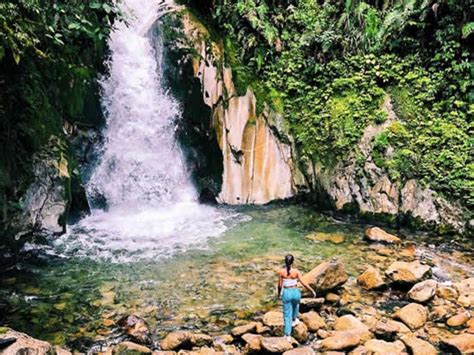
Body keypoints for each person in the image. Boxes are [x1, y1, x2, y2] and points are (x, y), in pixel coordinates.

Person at [277, 254, 316, 340]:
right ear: (293, 262)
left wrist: (279, 294)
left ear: (285, 262)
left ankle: (287, 335)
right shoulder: (296, 272)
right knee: (296, 305)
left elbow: (280, 286)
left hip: (287, 292)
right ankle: (294, 320)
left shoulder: (281, 272)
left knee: (287, 315)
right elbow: (303, 283)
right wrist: (311, 290)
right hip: (296, 292)